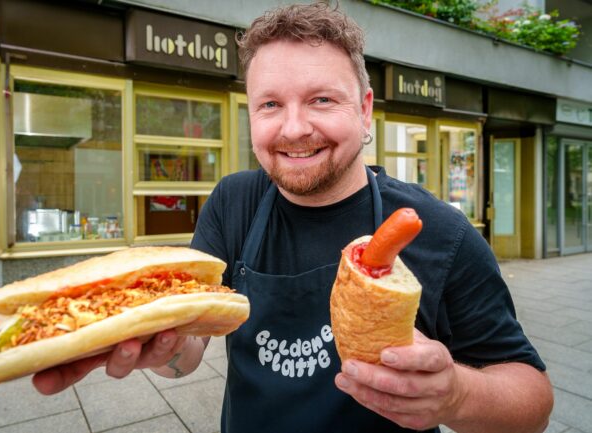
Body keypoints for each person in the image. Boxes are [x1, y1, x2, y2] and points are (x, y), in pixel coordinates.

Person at [33, 3, 554, 432]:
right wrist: (157, 346)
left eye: (321, 99)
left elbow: (533, 397)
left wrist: (457, 395)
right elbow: (190, 349)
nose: (294, 128)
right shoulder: (233, 202)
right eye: (270, 105)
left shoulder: (442, 231)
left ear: (366, 109)